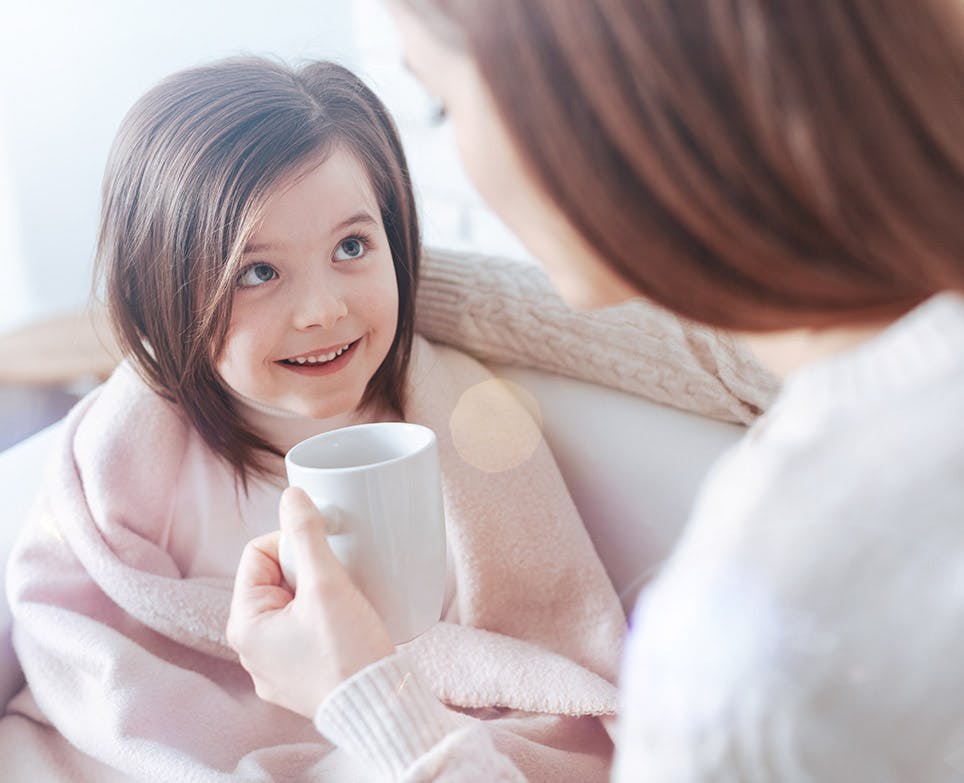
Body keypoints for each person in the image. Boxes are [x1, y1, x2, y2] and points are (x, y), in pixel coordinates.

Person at [227, 0, 964, 780]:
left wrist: (367, 696)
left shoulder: (746, 653)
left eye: (443, 102)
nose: (323, 309)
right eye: (260, 270)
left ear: (597, 88)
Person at [0, 57, 638, 782]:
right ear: (165, 293)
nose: (323, 309)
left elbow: (548, 672)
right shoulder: (132, 451)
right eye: (259, 272)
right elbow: (69, 642)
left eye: (352, 247)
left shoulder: (467, 425)